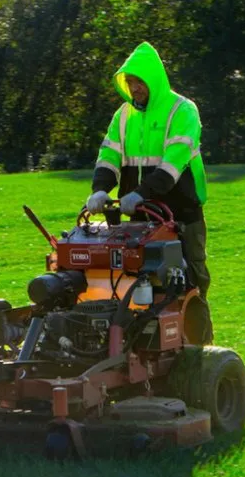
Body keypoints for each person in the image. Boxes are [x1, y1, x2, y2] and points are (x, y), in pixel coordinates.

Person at [86, 41, 211, 298]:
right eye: (130, 82)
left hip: (181, 215)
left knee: (190, 282)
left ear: (154, 80)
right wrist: (100, 190)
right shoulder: (123, 115)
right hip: (139, 220)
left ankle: (197, 335)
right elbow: (109, 155)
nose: (134, 88)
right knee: (137, 283)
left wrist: (140, 193)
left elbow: (172, 165)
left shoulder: (182, 111)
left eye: (139, 82)